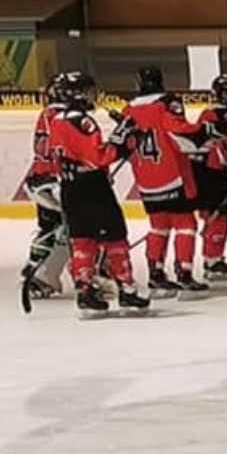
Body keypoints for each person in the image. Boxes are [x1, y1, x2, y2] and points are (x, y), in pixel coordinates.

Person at [43, 70, 145, 316]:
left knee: (82, 240)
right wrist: (122, 140)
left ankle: (85, 290)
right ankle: (127, 288)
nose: (92, 96)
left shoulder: (56, 119)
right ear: (75, 94)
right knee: (115, 237)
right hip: (93, 189)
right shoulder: (82, 121)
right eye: (87, 91)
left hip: (70, 188)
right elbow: (98, 157)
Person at [122, 65, 211, 298]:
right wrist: (207, 132)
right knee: (186, 225)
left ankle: (155, 273)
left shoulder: (128, 109)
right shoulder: (166, 103)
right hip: (172, 176)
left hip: (146, 180)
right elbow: (178, 132)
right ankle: (184, 273)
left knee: (158, 226)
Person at [20, 73, 73, 304]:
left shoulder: (48, 114)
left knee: (53, 225)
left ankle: (37, 271)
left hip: (42, 181)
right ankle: (43, 275)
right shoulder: (62, 116)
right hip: (53, 182)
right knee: (71, 227)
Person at [190, 73, 227, 282]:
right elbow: (226, 145)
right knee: (218, 216)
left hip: (203, 170)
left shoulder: (208, 113)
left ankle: (211, 257)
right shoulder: (223, 116)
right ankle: (212, 261)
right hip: (212, 172)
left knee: (212, 215)